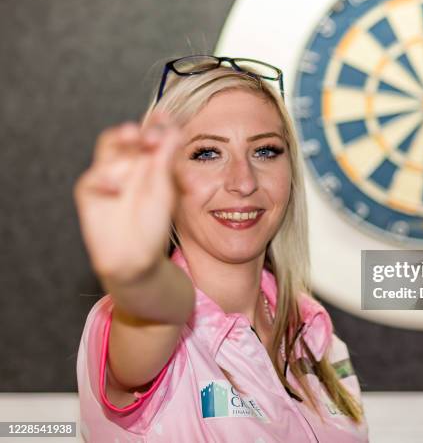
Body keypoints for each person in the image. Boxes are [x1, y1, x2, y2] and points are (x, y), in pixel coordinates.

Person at [73, 55, 370, 441]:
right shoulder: (138, 320)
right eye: (207, 153)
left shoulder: (316, 333)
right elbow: (155, 316)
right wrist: (138, 272)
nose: (243, 182)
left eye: (265, 151)